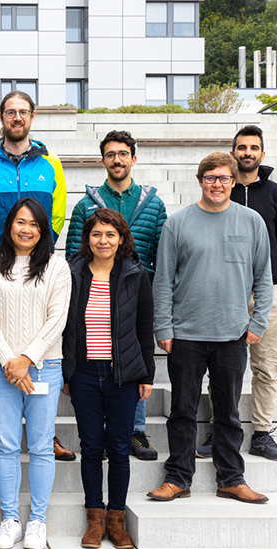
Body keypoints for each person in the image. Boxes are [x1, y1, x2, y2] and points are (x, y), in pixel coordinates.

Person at [148, 153, 273, 505]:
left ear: (234, 181)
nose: (217, 184)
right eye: (210, 177)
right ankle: (177, 478)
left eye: (224, 178)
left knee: (229, 413)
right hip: (186, 334)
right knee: (182, 411)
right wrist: (164, 327)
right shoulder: (179, 223)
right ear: (200, 180)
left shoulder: (252, 222)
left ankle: (231, 478)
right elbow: (163, 281)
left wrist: (258, 322)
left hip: (233, 333)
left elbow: (264, 278)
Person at [0, 90, 73, 463]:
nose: (17, 118)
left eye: (23, 112)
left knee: (41, 339)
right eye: (10, 112)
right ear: (1, 117)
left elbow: (56, 215)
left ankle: (46, 432)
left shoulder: (50, 162)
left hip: (38, 268)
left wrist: (37, 252)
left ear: (32, 116)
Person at [196, 125, 277, 462]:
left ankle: (262, 434)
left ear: (262, 154)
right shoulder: (221, 190)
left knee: (267, 367)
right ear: (233, 152)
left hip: (268, 291)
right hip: (226, 293)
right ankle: (218, 429)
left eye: (254, 148)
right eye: (241, 147)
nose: (247, 153)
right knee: (222, 367)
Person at [0, 198, 71, 549]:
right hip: (1, 371)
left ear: (43, 229)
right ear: (9, 225)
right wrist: (9, 361)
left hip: (45, 366)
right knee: (6, 445)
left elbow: (56, 319)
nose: (26, 229)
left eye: (33, 224)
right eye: (20, 222)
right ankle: (10, 519)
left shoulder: (58, 268)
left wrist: (27, 358)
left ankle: (38, 521)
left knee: (43, 445)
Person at [64, 130, 166, 461]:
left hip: (137, 298)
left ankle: (133, 432)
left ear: (133, 158)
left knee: (132, 359)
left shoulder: (154, 204)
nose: (117, 160)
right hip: (95, 296)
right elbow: (73, 257)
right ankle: (102, 434)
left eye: (123, 154)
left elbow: (162, 256)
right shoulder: (85, 206)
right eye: (110, 154)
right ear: (103, 160)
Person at [62, 208, 155, 549]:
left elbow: (145, 326)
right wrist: (67, 371)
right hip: (84, 374)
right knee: (90, 448)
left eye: (110, 234)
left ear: (121, 239)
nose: (103, 241)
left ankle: (116, 521)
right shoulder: (73, 273)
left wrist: (146, 373)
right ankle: (94, 519)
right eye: (97, 234)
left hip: (123, 375)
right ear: (87, 238)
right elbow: (64, 326)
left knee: (118, 449)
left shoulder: (135, 273)